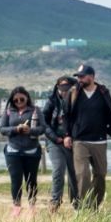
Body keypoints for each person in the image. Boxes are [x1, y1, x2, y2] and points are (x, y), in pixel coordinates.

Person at [62, 63, 111, 210]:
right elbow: (67, 116)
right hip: (79, 141)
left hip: (99, 140)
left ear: (92, 77)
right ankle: (84, 208)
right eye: (78, 77)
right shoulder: (74, 92)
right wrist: (67, 135)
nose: (80, 79)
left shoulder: (103, 93)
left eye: (82, 76)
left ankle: (94, 205)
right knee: (82, 174)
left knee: (100, 175)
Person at [0, 86, 47, 217]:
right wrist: (16, 129)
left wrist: (30, 131)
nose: (19, 102)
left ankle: (32, 206)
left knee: (31, 180)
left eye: (22, 99)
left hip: (31, 151)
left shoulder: (35, 110)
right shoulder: (9, 111)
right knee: (16, 180)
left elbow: (43, 128)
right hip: (13, 150)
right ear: (12, 100)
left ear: (27, 97)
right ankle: (16, 207)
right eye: (16, 100)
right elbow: (2, 129)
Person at [42, 75, 79, 210]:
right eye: (61, 87)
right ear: (57, 88)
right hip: (55, 140)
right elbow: (44, 123)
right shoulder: (52, 101)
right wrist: (56, 138)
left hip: (72, 142)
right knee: (58, 169)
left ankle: (76, 204)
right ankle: (55, 202)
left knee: (73, 173)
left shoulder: (77, 101)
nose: (63, 90)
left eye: (66, 87)